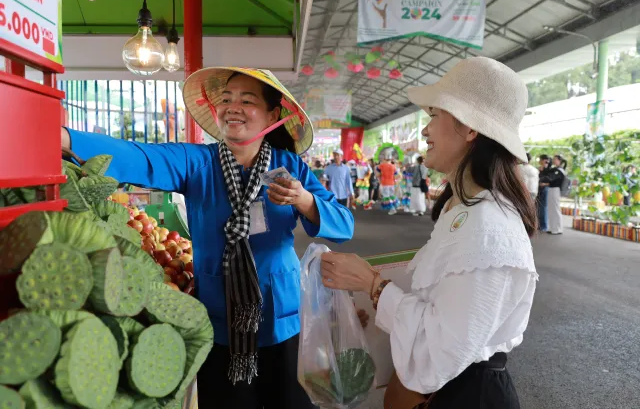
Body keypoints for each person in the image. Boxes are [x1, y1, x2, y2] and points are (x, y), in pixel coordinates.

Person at [61, 67, 354, 409]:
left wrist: (304, 200)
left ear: (272, 115)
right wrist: (67, 140)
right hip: (220, 322)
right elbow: (141, 156)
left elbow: (344, 225)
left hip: (284, 320)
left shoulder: (290, 167)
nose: (233, 106)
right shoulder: (197, 162)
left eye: (247, 100)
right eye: (226, 99)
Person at [320, 57, 537, 409]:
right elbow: (437, 304)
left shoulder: (489, 227)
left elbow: (440, 353)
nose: (425, 130)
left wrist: (373, 287)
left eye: (434, 115)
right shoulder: (465, 210)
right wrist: (368, 304)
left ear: (470, 129)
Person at [542, 154, 567, 235]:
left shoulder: (559, 170)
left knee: (555, 209)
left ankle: (557, 229)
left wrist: (541, 180)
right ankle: (553, 228)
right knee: (551, 209)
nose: (553, 160)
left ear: (559, 161)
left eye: (555, 159)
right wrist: (547, 166)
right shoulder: (556, 169)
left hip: (555, 190)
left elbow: (550, 177)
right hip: (551, 189)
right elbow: (547, 173)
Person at [537, 154, 552, 232]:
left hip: (545, 188)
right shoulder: (539, 169)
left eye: (540, 159)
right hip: (539, 189)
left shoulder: (549, 169)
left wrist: (545, 184)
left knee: (543, 207)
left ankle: (544, 226)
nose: (539, 161)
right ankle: (539, 225)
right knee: (539, 207)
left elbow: (550, 180)